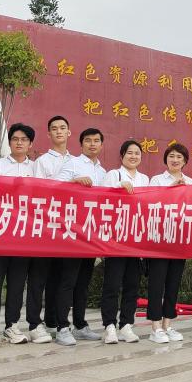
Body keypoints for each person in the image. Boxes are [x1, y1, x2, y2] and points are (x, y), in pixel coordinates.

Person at [0, 123, 52, 345]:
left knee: (17, 282)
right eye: (15, 139)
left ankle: (11, 325)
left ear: (30, 144)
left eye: (24, 139)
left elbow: (45, 193)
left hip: (24, 234)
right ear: (9, 142)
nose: (19, 142)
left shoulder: (35, 168)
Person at [51, 127, 107, 346]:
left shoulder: (103, 172)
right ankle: (62, 327)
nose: (92, 144)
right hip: (72, 232)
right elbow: (55, 187)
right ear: (81, 144)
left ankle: (80, 325)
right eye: (88, 140)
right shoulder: (72, 164)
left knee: (83, 282)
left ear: (101, 145)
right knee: (68, 281)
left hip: (91, 233)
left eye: (96, 141)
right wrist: (74, 181)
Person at [101, 139, 149, 344]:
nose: (133, 156)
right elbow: (103, 198)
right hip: (116, 239)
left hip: (136, 241)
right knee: (112, 285)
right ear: (122, 156)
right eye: (129, 153)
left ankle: (126, 324)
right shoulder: (113, 175)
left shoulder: (145, 179)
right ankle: (109, 325)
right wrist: (118, 188)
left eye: (137, 153)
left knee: (132, 285)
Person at [146, 142, 192, 344]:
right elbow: (148, 203)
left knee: (173, 283)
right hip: (159, 238)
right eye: (172, 156)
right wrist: (170, 189)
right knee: (157, 284)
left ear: (185, 161)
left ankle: (167, 324)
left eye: (179, 157)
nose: (175, 160)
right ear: (165, 159)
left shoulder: (190, 182)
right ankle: (155, 327)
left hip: (180, 239)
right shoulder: (156, 179)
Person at [34, 115, 73, 336]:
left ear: (69, 132)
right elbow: (40, 191)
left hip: (69, 227)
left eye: (62, 128)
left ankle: (58, 320)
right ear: (48, 134)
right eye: (54, 128)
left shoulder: (77, 161)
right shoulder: (42, 162)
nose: (59, 131)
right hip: (47, 225)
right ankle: (40, 321)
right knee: (42, 276)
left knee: (63, 276)